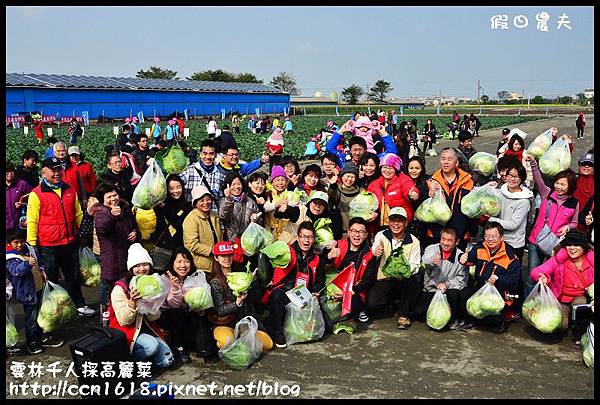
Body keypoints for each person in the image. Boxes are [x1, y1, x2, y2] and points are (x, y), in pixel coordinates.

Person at [26, 157, 95, 317]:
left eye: (59, 169)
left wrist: (83, 235)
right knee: (50, 278)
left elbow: (78, 214)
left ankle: (79, 305)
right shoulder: (36, 194)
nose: (57, 173)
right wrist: (32, 245)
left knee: (73, 276)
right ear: (44, 172)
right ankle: (54, 310)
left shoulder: (69, 189)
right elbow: (32, 221)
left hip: (70, 241)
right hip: (49, 244)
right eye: (53, 170)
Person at [108, 243, 174, 369]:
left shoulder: (152, 283)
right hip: (126, 331)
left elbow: (154, 318)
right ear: (131, 269)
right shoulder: (120, 288)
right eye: (137, 266)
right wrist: (132, 302)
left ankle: (145, 358)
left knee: (166, 360)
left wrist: (151, 304)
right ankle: (129, 362)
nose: (142, 269)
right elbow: (124, 321)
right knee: (151, 346)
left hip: (146, 328)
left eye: (145, 264)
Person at [261, 221, 326, 348]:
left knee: (326, 326)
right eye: (303, 236)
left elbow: (320, 281)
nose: (306, 240)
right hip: (287, 291)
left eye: (310, 237)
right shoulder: (287, 251)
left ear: (314, 239)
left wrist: (316, 292)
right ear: (297, 237)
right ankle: (277, 332)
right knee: (276, 296)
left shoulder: (318, 258)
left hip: (306, 296)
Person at [524, 154, 579, 295]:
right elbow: (538, 179)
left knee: (548, 277)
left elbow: (574, 223)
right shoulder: (547, 193)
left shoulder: (574, 203)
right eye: (557, 183)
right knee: (532, 275)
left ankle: (543, 303)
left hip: (555, 246)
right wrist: (534, 164)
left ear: (570, 186)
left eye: (563, 184)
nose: (558, 187)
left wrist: (567, 227)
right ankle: (527, 303)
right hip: (535, 241)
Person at [6, 228, 64, 355]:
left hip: (38, 286)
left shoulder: (29, 249)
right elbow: (16, 270)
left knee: (42, 313)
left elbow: (39, 260)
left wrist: (42, 270)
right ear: (9, 243)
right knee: (31, 318)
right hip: (27, 293)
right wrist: (27, 264)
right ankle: (32, 342)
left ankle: (43, 336)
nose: (20, 245)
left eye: (21, 241)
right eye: (16, 242)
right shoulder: (10, 257)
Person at [208, 241, 273, 354]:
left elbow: (255, 298)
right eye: (223, 256)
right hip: (225, 323)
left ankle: (242, 340)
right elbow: (220, 310)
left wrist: (252, 282)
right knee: (226, 342)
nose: (227, 259)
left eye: (229, 255)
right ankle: (235, 340)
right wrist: (237, 303)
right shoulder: (216, 282)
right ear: (216, 258)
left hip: (243, 321)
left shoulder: (241, 275)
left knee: (268, 344)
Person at [458, 222, 522, 333]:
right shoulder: (480, 247)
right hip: (480, 288)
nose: (490, 239)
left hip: (499, 292)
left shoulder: (511, 255)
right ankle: (469, 322)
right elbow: (469, 259)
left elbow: (514, 282)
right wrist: (462, 258)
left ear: (501, 237)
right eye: (487, 236)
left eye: (493, 236)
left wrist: (498, 278)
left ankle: (498, 320)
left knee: (493, 322)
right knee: (464, 294)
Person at [530, 231, 594, 341]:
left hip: (581, 298)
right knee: (561, 325)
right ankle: (568, 322)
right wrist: (543, 276)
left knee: (580, 306)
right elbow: (535, 272)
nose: (572, 248)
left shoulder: (591, 261)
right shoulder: (559, 260)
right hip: (561, 299)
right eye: (569, 244)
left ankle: (580, 329)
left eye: (576, 245)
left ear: (583, 247)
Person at [155, 247, 215, 363]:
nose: (183, 265)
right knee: (177, 313)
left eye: (187, 261)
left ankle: (203, 346)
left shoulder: (194, 277)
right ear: (172, 263)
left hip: (188, 316)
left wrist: (200, 307)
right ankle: (178, 346)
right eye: (179, 261)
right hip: (168, 317)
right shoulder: (164, 279)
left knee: (200, 315)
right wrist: (176, 289)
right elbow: (173, 305)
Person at [369, 207, 422, 329]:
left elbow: (415, 265)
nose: (396, 224)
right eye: (393, 220)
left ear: (406, 223)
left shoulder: (414, 241)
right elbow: (375, 246)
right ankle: (391, 305)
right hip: (385, 278)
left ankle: (404, 314)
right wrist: (376, 250)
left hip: (404, 279)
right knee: (372, 304)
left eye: (400, 221)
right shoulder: (381, 235)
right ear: (389, 222)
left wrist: (403, 270)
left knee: (412, 282)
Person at [92, 182, 139, 320]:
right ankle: (106, 320)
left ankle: (123, 317)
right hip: (111, 260)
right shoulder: (100, 213)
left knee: (125, 289)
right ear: (102, 200)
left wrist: (135, 233)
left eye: (115, 195)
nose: (113, 199)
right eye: (109, 197)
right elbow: (102, 228)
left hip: (127, 257)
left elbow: (134, 226)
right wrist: (112, 216)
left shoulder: (124, 208)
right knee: (109, 290)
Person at [413, 227, 467, 330]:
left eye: (450, 240)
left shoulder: (460, 256)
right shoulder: (432, 248)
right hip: (431, 289)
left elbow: (461, 279)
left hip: (448, 291)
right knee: (419, 313)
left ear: (456, 242)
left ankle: (453, 319)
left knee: (454, 293)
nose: (445, 243)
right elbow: (425, 259)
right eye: (443, 239)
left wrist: (446, 285)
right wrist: (432, 261)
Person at [326, 217, 378, 323]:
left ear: (366, 235)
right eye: (354, 231)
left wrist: (348, 292)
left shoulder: (369, 254)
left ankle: (358, 310)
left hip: (354, 291)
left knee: (355, 304)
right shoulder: (338, 246)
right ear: (349, 232)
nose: (357, 235)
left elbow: (368, 279)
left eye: (361, 232)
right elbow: (322, 269)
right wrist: (328, 257)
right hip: (334, 287)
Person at [425, 148, 477, 250]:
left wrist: (472, 232)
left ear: (456, 162)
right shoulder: (431, 181)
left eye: (449, 159)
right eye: (443, 159)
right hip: (438, 233)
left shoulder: (467, 181)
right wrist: (428, 194)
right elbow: (424, 208)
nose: (445, 162)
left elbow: (473, 209)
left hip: (461, 233)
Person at [151, 175, 193, 272]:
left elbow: (179, 224)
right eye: (171, 188)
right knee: (160, 277)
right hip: (162, 249)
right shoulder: (158, 205)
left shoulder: (187, 207)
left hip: (180, 251)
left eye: (178, 187)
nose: (175, 191)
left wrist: (165, 208)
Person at [367, 153, 419, 227]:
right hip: (382, 225)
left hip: (401, 224)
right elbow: (370, 204)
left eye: (390, 168)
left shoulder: (403, 179)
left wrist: (413, 195)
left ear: (396, 169)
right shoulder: (373, 185)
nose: (387, 171)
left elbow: (409, 188)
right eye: (384, 167)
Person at [275, 190, 342, 244]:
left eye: (322, 204)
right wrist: (281, 211)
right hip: (286, 246)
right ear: (310, 202)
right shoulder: (300, 211)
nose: (317, 206)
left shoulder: (324, 220)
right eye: (315, 202)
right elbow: (285, 213)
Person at [183, 185, 223, 273]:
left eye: (208, 199)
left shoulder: (214, 215)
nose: (206, 203)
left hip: (218, 261)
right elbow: (191, 244)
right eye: (201, 200)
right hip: (202, 265)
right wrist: (211, 250)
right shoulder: (191, 219)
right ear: (195, 203)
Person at [180, 139, 226, 214]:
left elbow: (221, 199)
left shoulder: (221, 174)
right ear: (200, 154)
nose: (208, 157)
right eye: (205, 153)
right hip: (192, 218)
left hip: (212, 218)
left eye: (211, 154)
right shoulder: (188, 171)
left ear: (216, 155)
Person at [219, 172, 262, 242]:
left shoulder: (250, 201)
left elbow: (260, 221)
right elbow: (223, 216)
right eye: (233, 184)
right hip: (231, 241)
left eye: (239, 184)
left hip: (248, 241)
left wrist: (255, 219)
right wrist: (228, 199)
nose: (236, 187)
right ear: (228, 187)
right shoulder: (225, 201)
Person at [404, 156, 430, 249]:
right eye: (411, 168)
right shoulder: (403, 181)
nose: (414, 171)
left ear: (422, 169)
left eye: (417, 168)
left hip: (424, 221)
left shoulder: (428, 181)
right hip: (408, 221)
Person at [328, 161, 360, 236]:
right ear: (342, 177)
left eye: (352, 177)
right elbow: (331, 197)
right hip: (341, 231)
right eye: (347, 176)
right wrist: (332, 185)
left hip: (356, 231)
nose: (349, 179)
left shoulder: (360, 192)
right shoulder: (337, 190)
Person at [263, 166, 290, 240]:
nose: (280, 183)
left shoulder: (290, 195)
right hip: (269, 232)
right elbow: (264, 208)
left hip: (286, 233)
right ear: (272, 182)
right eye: (277, 180)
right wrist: (275, 205)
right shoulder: (267, 195)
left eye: (283, 180)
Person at [6, 162, 33, 232]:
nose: (10, 174)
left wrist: (23, 204)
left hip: (19, 225)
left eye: (11, 171)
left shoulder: (22, 184)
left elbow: (33, 199)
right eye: (7, 172)